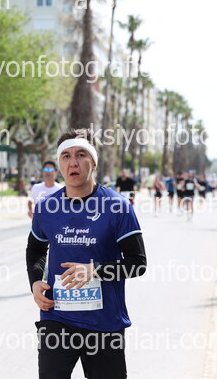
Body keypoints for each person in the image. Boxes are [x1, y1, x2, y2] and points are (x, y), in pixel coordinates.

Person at [26, 129, 147, 379]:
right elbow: (36, 249)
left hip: (104, 324)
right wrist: (35, 282)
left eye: (81, 155)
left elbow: (137, 263)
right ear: (60, 164)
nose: (73, 162)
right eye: (66, 156)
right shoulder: (46, 208)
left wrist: (95, 270)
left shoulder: (117, 207)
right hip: (56, 317)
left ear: (94, 162)